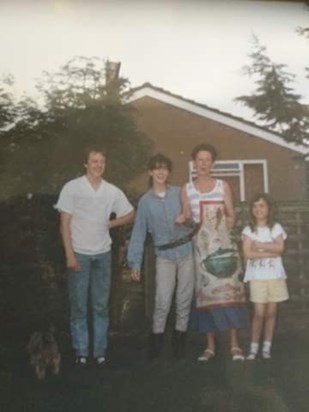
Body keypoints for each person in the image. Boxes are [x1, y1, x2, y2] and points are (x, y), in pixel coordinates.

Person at [55, 146, 134, 366]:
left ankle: (100, 351)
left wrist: (112, 222)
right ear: (85, 164)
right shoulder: (72, 188)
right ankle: (81, 352)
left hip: (103, 255)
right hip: (79, 254)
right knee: (79, 306)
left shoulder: (111, 191)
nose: (98, 165)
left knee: (100, 306)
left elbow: (130, 213)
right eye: (94, 161)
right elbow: (64, 224)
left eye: (102, 162)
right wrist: (70, 256)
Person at [179, 143, 247, 362]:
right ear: (194, 163)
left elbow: (231, 215)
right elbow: (188, 217)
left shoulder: (223, 186)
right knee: (206, 297)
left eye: (207, 160)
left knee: (229, 295)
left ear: (213, 163)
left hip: (223, 247)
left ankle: (234, 344)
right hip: (201, 251)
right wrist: (184, 219)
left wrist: (220, 229)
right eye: (200, 160)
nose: (203, 164)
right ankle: (209, 347)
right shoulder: (186, 189)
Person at [127, 154, 195, 359]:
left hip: (185, 252)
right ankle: (156, 345)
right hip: (164, 256)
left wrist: (185, 221)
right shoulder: (145, 202)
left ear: (168, 172)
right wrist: (134, 262)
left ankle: (179, 344)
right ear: (150, 172)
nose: (160, 172)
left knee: (184, 299)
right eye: (156, 168)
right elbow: (139, 233)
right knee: (162, 300)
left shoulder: (180, 193)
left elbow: (194, 223)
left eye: (164, 168)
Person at [242, 192, 289, 360]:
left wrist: (260, 246)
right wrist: (269, 252)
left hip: (275, 276)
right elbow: (247, 253)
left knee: (271, 313)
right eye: (255, 206)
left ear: (269, 208)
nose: (258, 209)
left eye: (262, 205)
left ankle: (266, 347)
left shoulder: (275, 228)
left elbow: (280, 248)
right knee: (259, 312)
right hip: (257, 276)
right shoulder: (249, 230)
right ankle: (254, 347)